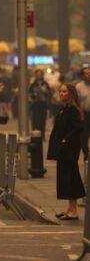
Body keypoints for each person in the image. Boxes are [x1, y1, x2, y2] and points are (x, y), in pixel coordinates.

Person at [47, 83, 86, 220]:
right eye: (60, 91)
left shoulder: (72, 110)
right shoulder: (64, 108)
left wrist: (65, 140)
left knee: (71, 177)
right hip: (64, 150)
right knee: (66, 177)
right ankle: (70, 209)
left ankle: (74, 211)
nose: (62, 94)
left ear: (71, 94)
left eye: (64, 92)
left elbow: (78, 127)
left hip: (69, 150)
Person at [29, 69, 51, 138]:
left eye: (40, 74)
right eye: (37, 74)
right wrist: (34, 95)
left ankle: (42, 135)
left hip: (43, 105)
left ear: (42, 75)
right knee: (35, 120)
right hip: (35, 105)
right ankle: (35, 135)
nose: (39, 76)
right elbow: (30, 94)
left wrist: (45, 92)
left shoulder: (45, 84)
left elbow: (49, 93)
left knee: (42, 120)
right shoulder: (33, 84)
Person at [76, 66, 90, 161]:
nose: (88, 75)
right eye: (86, 73)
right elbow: (77, 102)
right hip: (84, 114)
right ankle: (86, 154)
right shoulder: (79, 87)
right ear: (82, 75)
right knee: (84, 136)